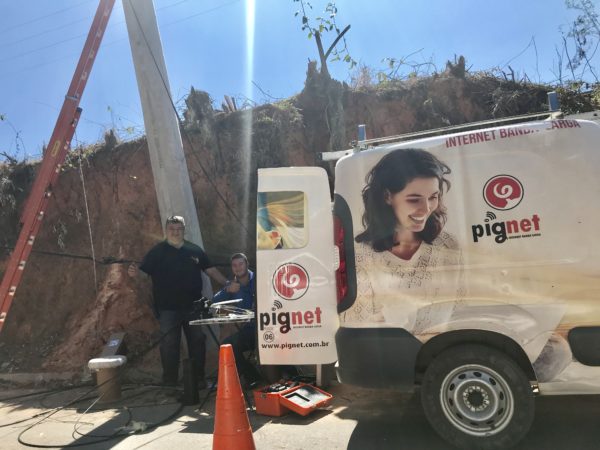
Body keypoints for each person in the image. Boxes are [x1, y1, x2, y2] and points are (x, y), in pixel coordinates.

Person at [342, 148, 464, 330]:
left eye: (433, 197)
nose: (426, 208)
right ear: (387, 196)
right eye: (414, 200)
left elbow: (459, 311)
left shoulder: (447, 245)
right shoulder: (360, 257)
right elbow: (355, 325)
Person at [128, 215, 228, 388]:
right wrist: (135, 274)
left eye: (179, 229)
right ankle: (170, 383)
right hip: (167, 308)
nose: (175, 232)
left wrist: (227, 283)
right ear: (166, 231)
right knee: (169, 344)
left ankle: (198, 379)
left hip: (194, 306)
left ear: (184, 230)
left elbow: (210, 270)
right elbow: (143, 274)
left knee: (197, 341)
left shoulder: (194, 250)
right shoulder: (157, 251)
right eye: (172, 229)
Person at [212, 252, 262, 388]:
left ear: (247, 264)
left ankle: (288, 373)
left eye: (241, 264)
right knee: (227, 345)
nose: (238, 267)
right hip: (249, 330)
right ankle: (253, 377)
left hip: (266, 327)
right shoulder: (233, 284)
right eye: (234, 265)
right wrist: (228, 290)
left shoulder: (259, 278)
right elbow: (214, 302)